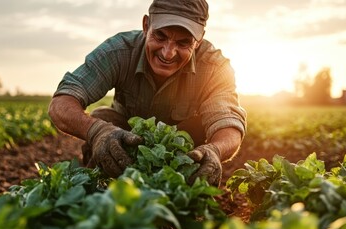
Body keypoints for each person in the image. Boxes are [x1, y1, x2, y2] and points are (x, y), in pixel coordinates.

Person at [48, 0, 247, 186]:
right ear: (146, 25)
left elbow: (227, 122)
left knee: (198, 130)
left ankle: (181, 206)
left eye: (183, 43)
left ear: (199, 40)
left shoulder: (215, 67)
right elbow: (61, 103)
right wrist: (97, 131)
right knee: (103, 118)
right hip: (123, 137)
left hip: (182, 149)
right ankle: (100, 193)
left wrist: (215, 150)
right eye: (160, 36)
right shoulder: (119, 51)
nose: (168, 53)